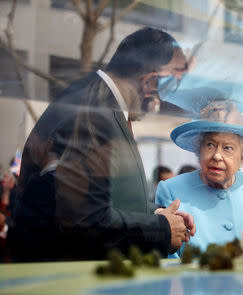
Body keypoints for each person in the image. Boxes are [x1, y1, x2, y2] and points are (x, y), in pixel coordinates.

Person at [9, 27, 196, 261]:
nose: (168, 97)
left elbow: (107, 198)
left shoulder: (97, 102)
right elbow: (86, 221)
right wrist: (161, 228)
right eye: (169, 85)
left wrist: (158, 214)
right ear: (150, 81)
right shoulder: (94, 113)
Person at [155, 120, 243, 252]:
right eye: (210, 145)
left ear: (242, 157)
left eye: (228, 148)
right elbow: (167, 260)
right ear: (199, 150)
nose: (217, 156)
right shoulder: (171, 190)